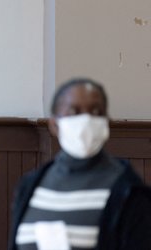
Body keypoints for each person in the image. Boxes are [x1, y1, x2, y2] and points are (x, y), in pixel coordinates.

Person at [8, 78, 151, 250]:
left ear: (106, 122)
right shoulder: (30, 187)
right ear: (54, 125)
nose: (85, 120)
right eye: (74, 112)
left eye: (96, 112)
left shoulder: (129, 192)